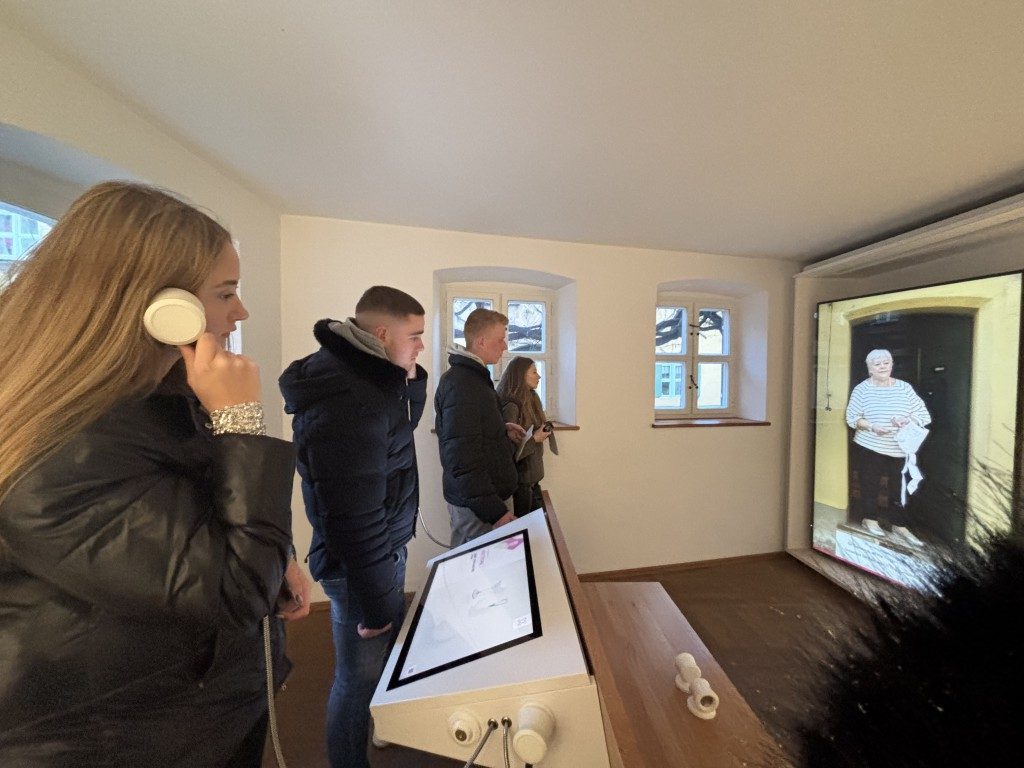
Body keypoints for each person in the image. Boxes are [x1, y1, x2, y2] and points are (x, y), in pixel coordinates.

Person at [0, 181, 309, 767]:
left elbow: (200, 514)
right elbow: (233, 590)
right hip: (113, 739)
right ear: (161, 309)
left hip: (197, 709)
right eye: (226, 293)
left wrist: (279, 554)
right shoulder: (59, 454)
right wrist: (241, 422)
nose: (240, 312)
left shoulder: (165, 396)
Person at [279, 286, 427, 768]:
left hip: (377, 554)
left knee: (374, 668)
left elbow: (397, 434)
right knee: (355, 682)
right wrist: (377, 602)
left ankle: (379, 729)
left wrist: (408, 377)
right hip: (359, 565)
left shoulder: (366, 377)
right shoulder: (351, 398)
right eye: (414, 336)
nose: (421, 345)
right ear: (382, 334)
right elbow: (354, 520)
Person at [435, 307, 522, 546]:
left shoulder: (473, 379)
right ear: (481, 341)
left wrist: (500, 428)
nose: (505, 346)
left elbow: (470, 435)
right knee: (475, 567)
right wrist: (496, 513)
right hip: (480, 509)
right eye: (500, 339)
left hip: (484, 501)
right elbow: (462, 460)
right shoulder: (462, 385)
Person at [845, 348, 931, 547]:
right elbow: (852, 418)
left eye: (886, 363)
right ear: (869, 368)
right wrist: (872, 426)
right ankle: (870, 519)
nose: (882, 366)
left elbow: (922, 414)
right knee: (870, 483)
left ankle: (899, 525)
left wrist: (907, 420)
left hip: (899, 447)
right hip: (870, 445)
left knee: (899, 487)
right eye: (877, 364)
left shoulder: (904, 388)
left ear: (892, 365)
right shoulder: (862, 389)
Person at [497, 356, 554, 517]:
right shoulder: (512, 406)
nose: (539, 376)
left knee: (540, 526)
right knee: (526, 528)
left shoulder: (532, 399)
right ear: (520, 375)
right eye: (534, 372)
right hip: (520, 485)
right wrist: (535, 439)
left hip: (532, 481)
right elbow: (507, 451)